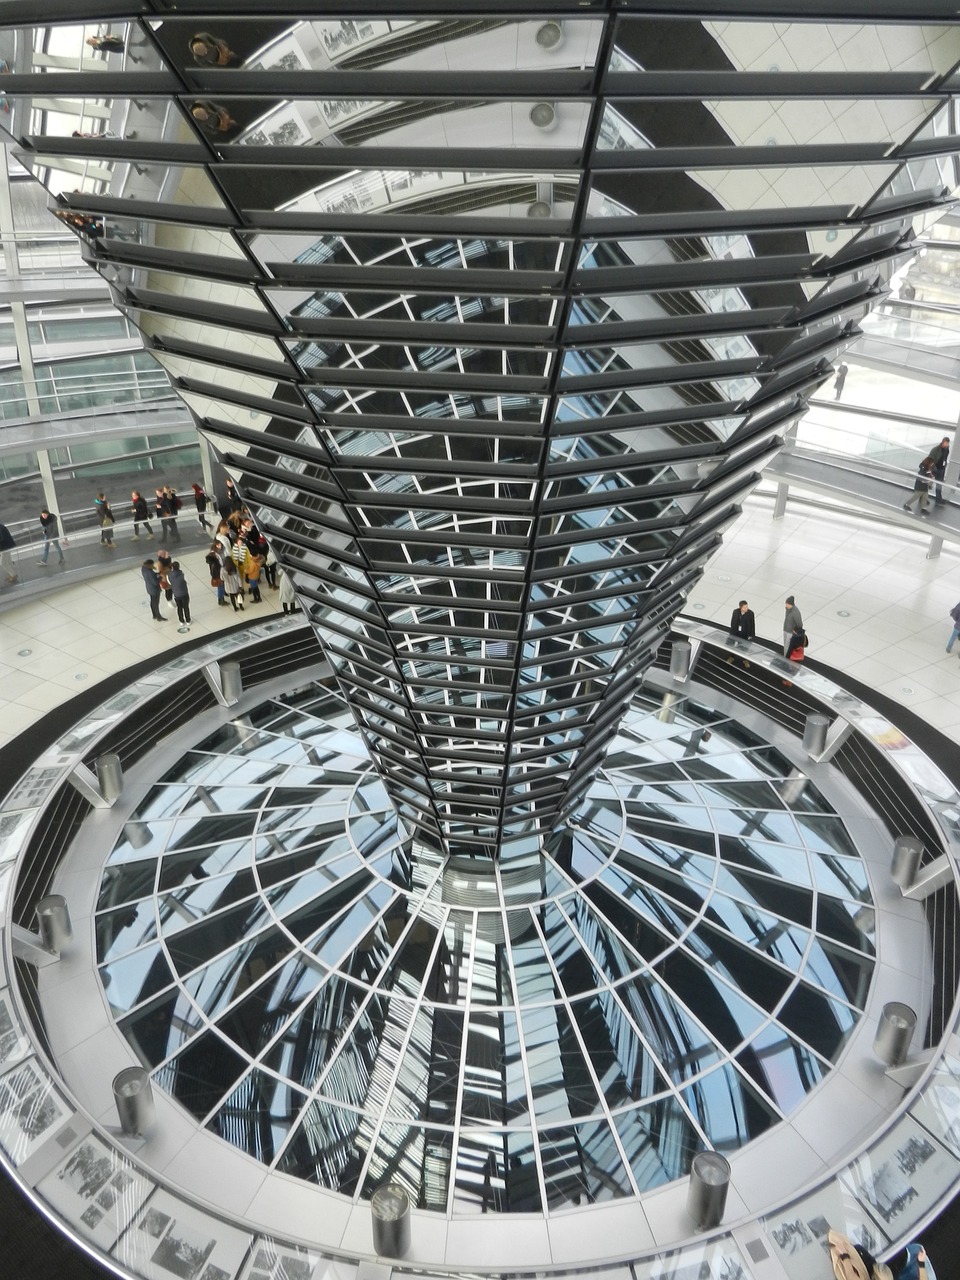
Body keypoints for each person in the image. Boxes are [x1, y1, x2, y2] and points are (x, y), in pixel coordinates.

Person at [727, 599, 755, 667]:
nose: (746, 608)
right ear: (740, 607)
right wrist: (732, 632)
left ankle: (745, 660)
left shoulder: (750, 613)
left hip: (745, 633)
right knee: (733, 645)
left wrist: (751, 635)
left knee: (745, 647)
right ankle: (731, 657)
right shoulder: (736, 612)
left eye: (747, 607)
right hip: (736, 632)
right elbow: (733, 622)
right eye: (744, 607)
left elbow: (752, 624)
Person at [927, 435, 950, 505]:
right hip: (935, 469)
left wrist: (944, 465)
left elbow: (945, 458)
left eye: (948, 444)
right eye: (946, 443)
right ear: (942, 442)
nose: (947, 445)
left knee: (939, 484)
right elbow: (930, 459)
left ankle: (938, 499)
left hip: (941, 469)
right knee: (928, 484)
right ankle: (923, 497)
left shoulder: (947, 449)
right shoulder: (936, 449)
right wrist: (933, 469)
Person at [169, 561, 191, 631]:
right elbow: (189, 582)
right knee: (186, 607)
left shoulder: (169, 575)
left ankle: (181, 621)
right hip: (184, 593)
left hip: (176, 594)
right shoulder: (183, 574)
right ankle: (188, 620)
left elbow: (170, 582)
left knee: (179, 608)